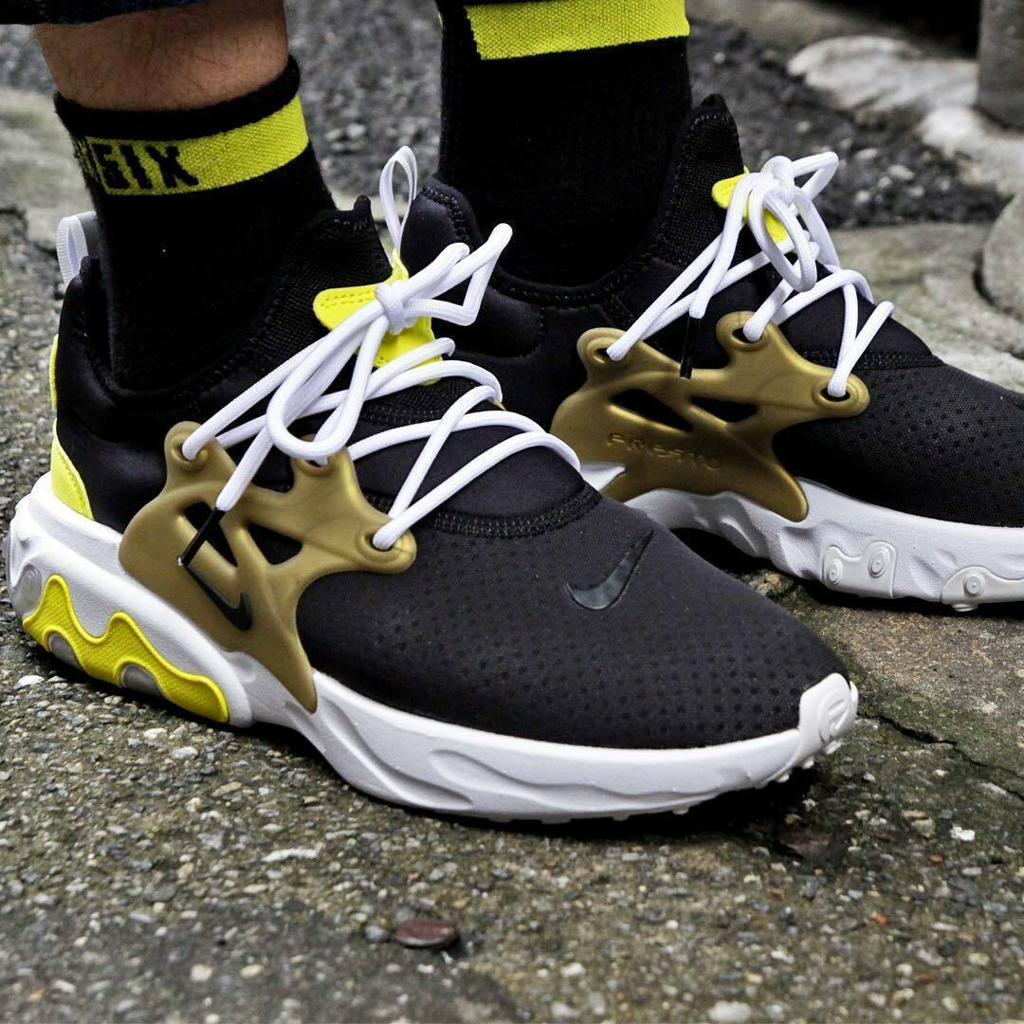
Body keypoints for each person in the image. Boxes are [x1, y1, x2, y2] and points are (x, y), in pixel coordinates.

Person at [4, 0, 883, 821]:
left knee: (595, 140)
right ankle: (198, 365)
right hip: (195, 433)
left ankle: (583, 204)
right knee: (223, 272)